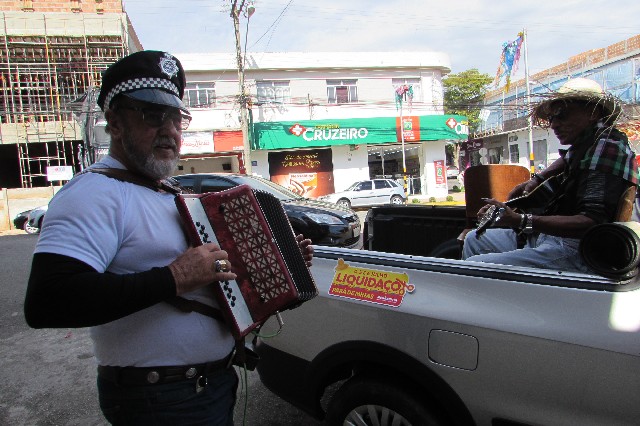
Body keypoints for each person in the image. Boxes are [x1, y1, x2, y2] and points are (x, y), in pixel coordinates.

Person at [23, 50, 314, 425]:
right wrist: (175, 278)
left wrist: (280, 270)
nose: (169, 129)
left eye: (176, 117)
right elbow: (47, 301)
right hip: (160, 400)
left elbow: (220, 286)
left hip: (209, 386)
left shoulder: (167, 192)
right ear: (114, 122)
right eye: (152, 114)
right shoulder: (92, 194)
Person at [463, 78, 638, 273]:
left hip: (577, 248)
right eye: (552, 118)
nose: (554, 125)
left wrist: (520, 220)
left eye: (562, 116)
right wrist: (535, 180)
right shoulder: (588, 144)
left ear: (592, 112)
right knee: (473, 239)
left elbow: (591, 221)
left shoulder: (605, 147)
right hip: (552, 236)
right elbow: (567, 158)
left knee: (475, 266)